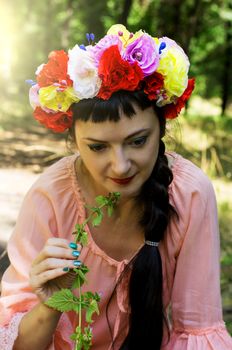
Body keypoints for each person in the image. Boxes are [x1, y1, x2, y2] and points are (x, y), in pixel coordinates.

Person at [0, 23, 231, 350]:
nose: (121, 166)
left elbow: (195, 330)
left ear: (162, 128)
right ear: (74, 141)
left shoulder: (189, 193)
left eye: (137, 141)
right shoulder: (51, 196)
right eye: (97, 147)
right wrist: (52, 303)